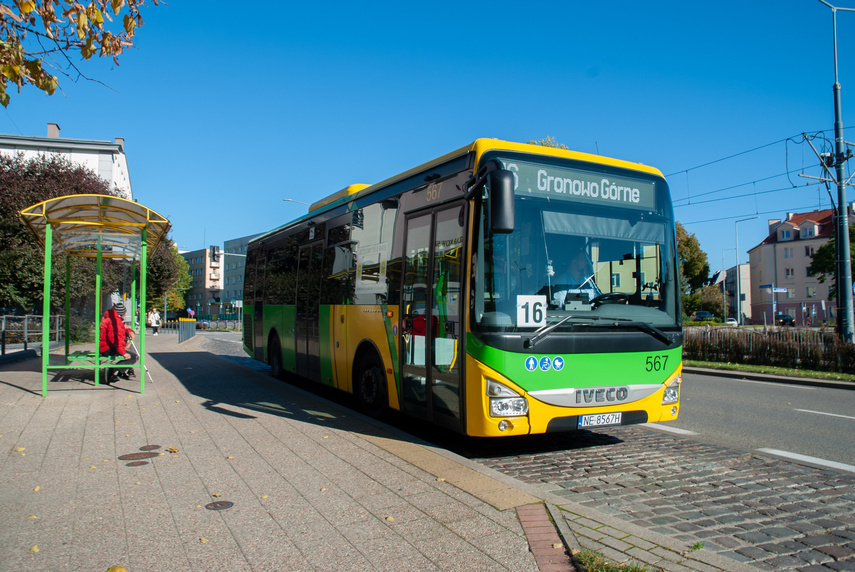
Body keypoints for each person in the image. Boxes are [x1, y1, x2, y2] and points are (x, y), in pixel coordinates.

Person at [99, 301, 137, 384]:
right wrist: (123, 353)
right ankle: (112, 370)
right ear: (122, 313)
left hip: (105, 346)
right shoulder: (115, 322)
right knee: (134, 357)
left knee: (130, 353)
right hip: (109, 348)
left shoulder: (110, 318)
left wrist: (130, 331)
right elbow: (115, 339)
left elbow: (124, 328)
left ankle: (121, 371)